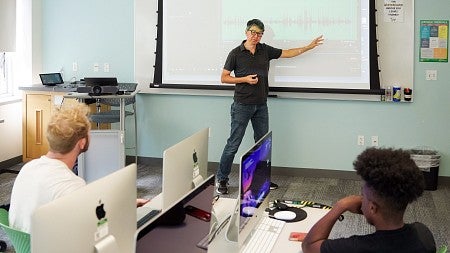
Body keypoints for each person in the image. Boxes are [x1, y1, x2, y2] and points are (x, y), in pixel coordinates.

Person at [216, 18, 324, 194]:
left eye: (259, 33)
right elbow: (224, 77)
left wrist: (309, 46)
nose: (256, 36)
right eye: (253, 32)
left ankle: (261, 179)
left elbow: (288, 53)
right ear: (246, 32)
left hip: (261, 105)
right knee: (233, 144)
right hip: (242, 105)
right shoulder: (235, 53)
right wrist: (244, 79)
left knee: (262, 145)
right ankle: (222, 179)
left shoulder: (265, 50)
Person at [9, 102, 149, 233]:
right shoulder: (71, 185)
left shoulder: (28, 168)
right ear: (82, 143)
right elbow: (96, 228)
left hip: (25, 246)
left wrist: (122, 204)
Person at [302, 147, 436, 253]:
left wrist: (340, 206)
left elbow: (309, 245)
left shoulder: (355, 248)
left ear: (372, 208)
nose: (360, 198)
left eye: (362, 195)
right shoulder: (423, 234)